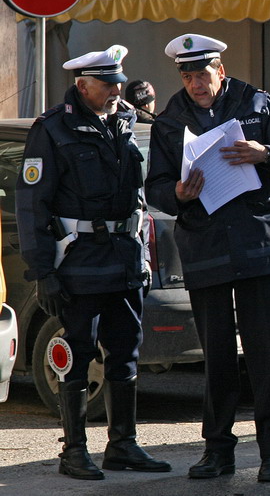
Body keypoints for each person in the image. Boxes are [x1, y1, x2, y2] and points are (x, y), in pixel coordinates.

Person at [145, 34, 270, 482]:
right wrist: (176, 194)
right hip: (206, 247)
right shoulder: (170, 120)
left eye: (203, 74)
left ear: (220, 69)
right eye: (187, 77)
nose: (196, 84)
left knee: (266, 353)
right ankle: (217, 450)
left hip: (258, 242)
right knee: (216, 356)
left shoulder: (258, 103)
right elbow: (155, 186)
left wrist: (268, 153)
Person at [15, 45, 171, 480]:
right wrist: (43, 271)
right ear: (83, 86)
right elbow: (32, 207)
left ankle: (122, 444)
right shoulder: (52, 128)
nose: (117, 91)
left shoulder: (124, 120)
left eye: (120, 83)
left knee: (125, 354)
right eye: (108, 85)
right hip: (79, 260)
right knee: (78, 356)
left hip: (123, 258)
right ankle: (75, 451)